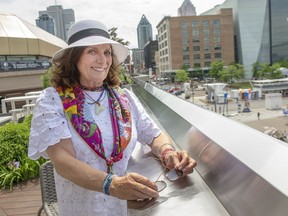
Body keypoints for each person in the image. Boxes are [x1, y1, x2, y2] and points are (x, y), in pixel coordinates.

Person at [28, 19, 197, 216]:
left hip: (130, 206)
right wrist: (112, 185)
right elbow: (62, 160)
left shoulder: (124, 98)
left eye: (107, 52)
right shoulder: (52, 101)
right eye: (92, 51)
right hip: (84, 209)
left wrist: (169, 154)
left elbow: (152, 135)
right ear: (74, 58)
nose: (103, 60)